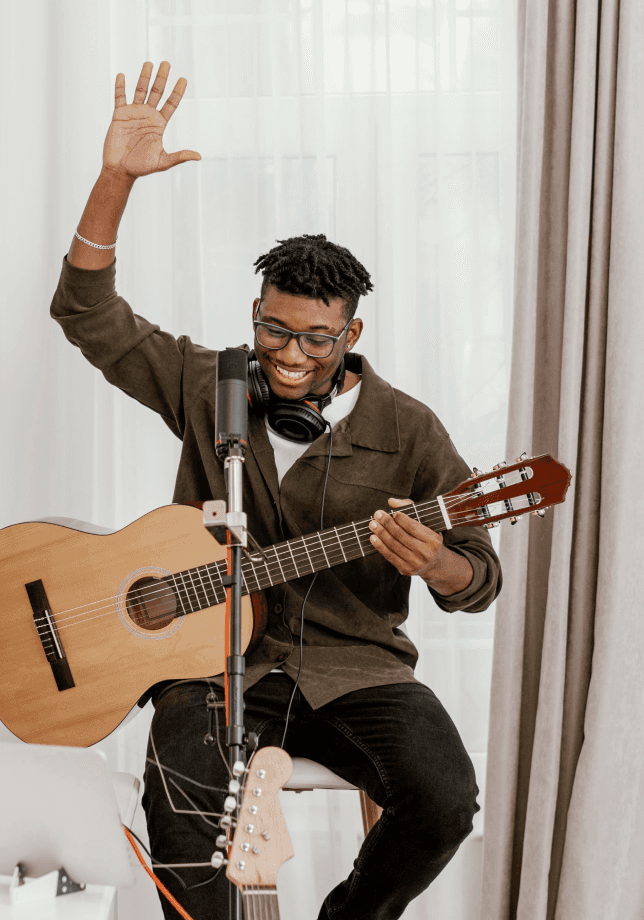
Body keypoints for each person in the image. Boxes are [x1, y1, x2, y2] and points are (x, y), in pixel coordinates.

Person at [50, 63, 501, 920]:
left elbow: (480, 579)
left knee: (444, 799)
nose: (290, 356)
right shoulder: (206, 384)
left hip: (355, 671)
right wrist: (114, 178)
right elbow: (86, 310)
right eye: (272, 330)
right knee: (181, 806)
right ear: (253, 313)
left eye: (317, 341)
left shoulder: (410, 429)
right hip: (208, 666)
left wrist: (439, 562)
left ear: (353, 332)